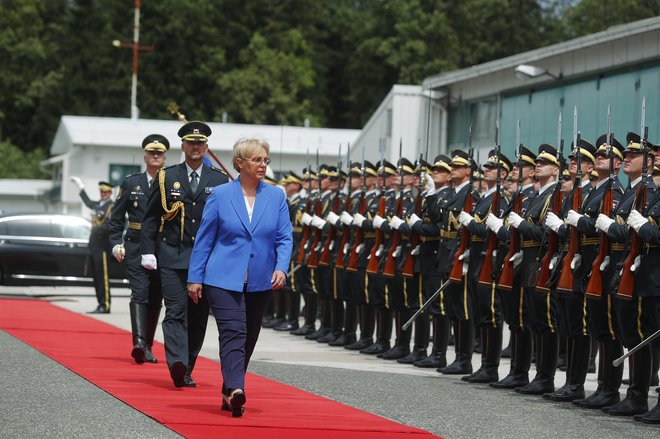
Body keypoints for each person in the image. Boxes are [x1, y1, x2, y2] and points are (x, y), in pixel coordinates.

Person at [187, 138, 293, 417]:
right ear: (240, 163)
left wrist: (281, 267)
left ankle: (228, 390)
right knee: (234, 331)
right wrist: (195, 277)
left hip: (261, 279)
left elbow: (284, 237)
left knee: (250, 335)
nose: (263, 165)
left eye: (265, 160)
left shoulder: (277, 196)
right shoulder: (221, 195)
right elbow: (205, 240)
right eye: (257, 160)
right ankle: (237, 388)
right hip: (222, 278)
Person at [140, 121, 229, 388]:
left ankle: (188, 365)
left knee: (199, 316)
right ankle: (177, 363)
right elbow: (150, 218)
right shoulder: (167, 176)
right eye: (191, 142)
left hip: (205, 261)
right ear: (183, 146)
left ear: (206, 147)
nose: (196, 147)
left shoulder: (219, 179)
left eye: (200, 143)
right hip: (173, 255)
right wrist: (148, 251)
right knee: (175, 311)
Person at [108, 134, 169, 363]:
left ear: (164, 158)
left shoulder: (170, 182)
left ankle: (149, 345)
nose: (155, 156)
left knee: (155, 297)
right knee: (140, 292)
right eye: (152, 153)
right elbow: (115, 218)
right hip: (134, 245)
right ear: (145, 157)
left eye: (160, 153)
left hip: (161, 246)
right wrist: (116, 243)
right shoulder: (131, 183)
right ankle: (139, 343)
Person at [70, 178, 115, 314]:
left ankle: (105, 305)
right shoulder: (98, 205)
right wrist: (80, 188)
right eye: (101, 192)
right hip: (94, 246)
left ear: (110, 193)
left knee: (103, 278)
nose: (103, 194)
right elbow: (88, 202)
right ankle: (100, 303)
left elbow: (111, 225)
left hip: (103, 246)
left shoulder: (112, 206)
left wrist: (97, 229)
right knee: (96, 277)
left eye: (106, 192)